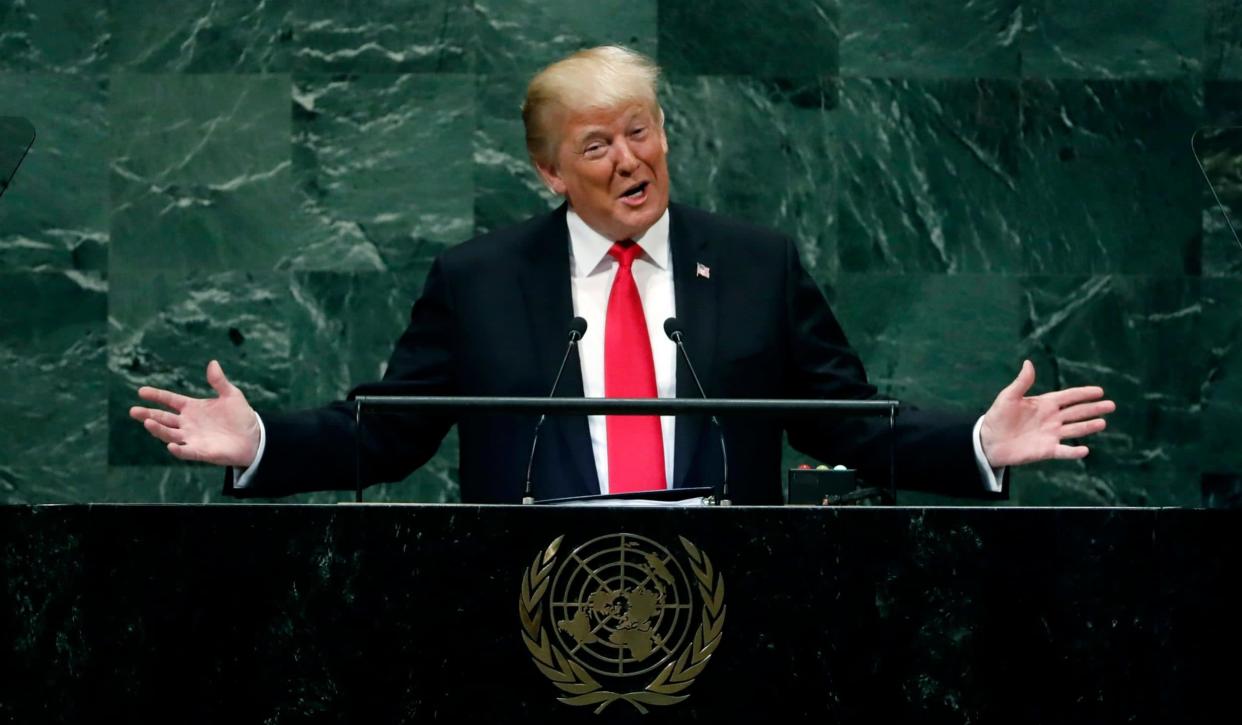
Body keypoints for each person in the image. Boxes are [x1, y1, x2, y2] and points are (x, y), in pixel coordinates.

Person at [129, 46, 1115, 505]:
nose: (629, 159)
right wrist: (258, 440)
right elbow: (385, 432)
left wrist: (977, 442)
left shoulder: (756, 264)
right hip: (530, 603)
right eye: (595, 145)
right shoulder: (480, 278)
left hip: (733, 607)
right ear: (550, 172)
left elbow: (843, 419)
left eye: (641, 130)